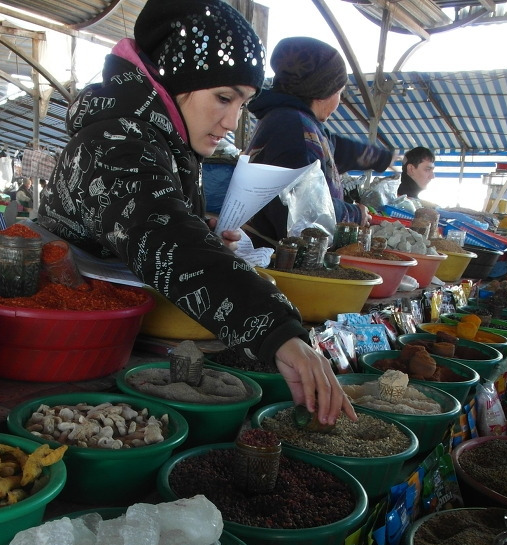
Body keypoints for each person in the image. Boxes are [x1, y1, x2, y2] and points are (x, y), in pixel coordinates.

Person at [37, 0, 354, 426]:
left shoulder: (165, 139)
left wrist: (204, 232)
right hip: (59, 349)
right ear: (173, 80)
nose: (232, 121)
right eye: (223, 98)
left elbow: (153, 219)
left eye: (242, 103)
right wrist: (277, 332)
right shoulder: (114, 140)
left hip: (112, 338)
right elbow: (162, 235)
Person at [245, 36, 395, 245]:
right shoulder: (294, 129)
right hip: (273, 255)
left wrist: (382, 158)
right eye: (339, 92)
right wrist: (355, 215)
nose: (339, 101)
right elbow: (304, 211)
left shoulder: (292, 120)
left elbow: (336, 149)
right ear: (323, 90)